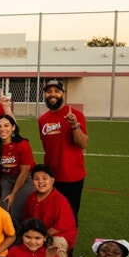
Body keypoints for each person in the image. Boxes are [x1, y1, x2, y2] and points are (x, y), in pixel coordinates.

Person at [38, 79, 89, 222]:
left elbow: (83, 143)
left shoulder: (75, 115)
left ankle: (68, 244)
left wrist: (74, 125)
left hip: (72, 175)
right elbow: (47, 145)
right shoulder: (43, 119)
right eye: (49, 92)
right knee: (51, 213)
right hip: (51, 175)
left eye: (56, 91)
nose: (52, 94)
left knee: (70, 215)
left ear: (62, 94)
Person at [25, 164, 81, 257]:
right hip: (41, 235)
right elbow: (27, 220)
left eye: (45, 178)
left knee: (54, 244)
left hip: (60, 235)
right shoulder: (31, 198)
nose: (41, 182)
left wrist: (41, 237)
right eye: (37, 179)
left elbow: (61, 226)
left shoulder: (59, 200)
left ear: (52, 180)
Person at [0, 114, 35, 223]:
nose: (3, 129)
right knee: (3, 208)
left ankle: (19, 237)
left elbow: (24, 172)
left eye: (6, 126)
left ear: (13, 127)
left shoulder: (22, 144)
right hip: (7, 178)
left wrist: (13, 194)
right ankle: (5, 236)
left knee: (15, 210)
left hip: (25, 178)